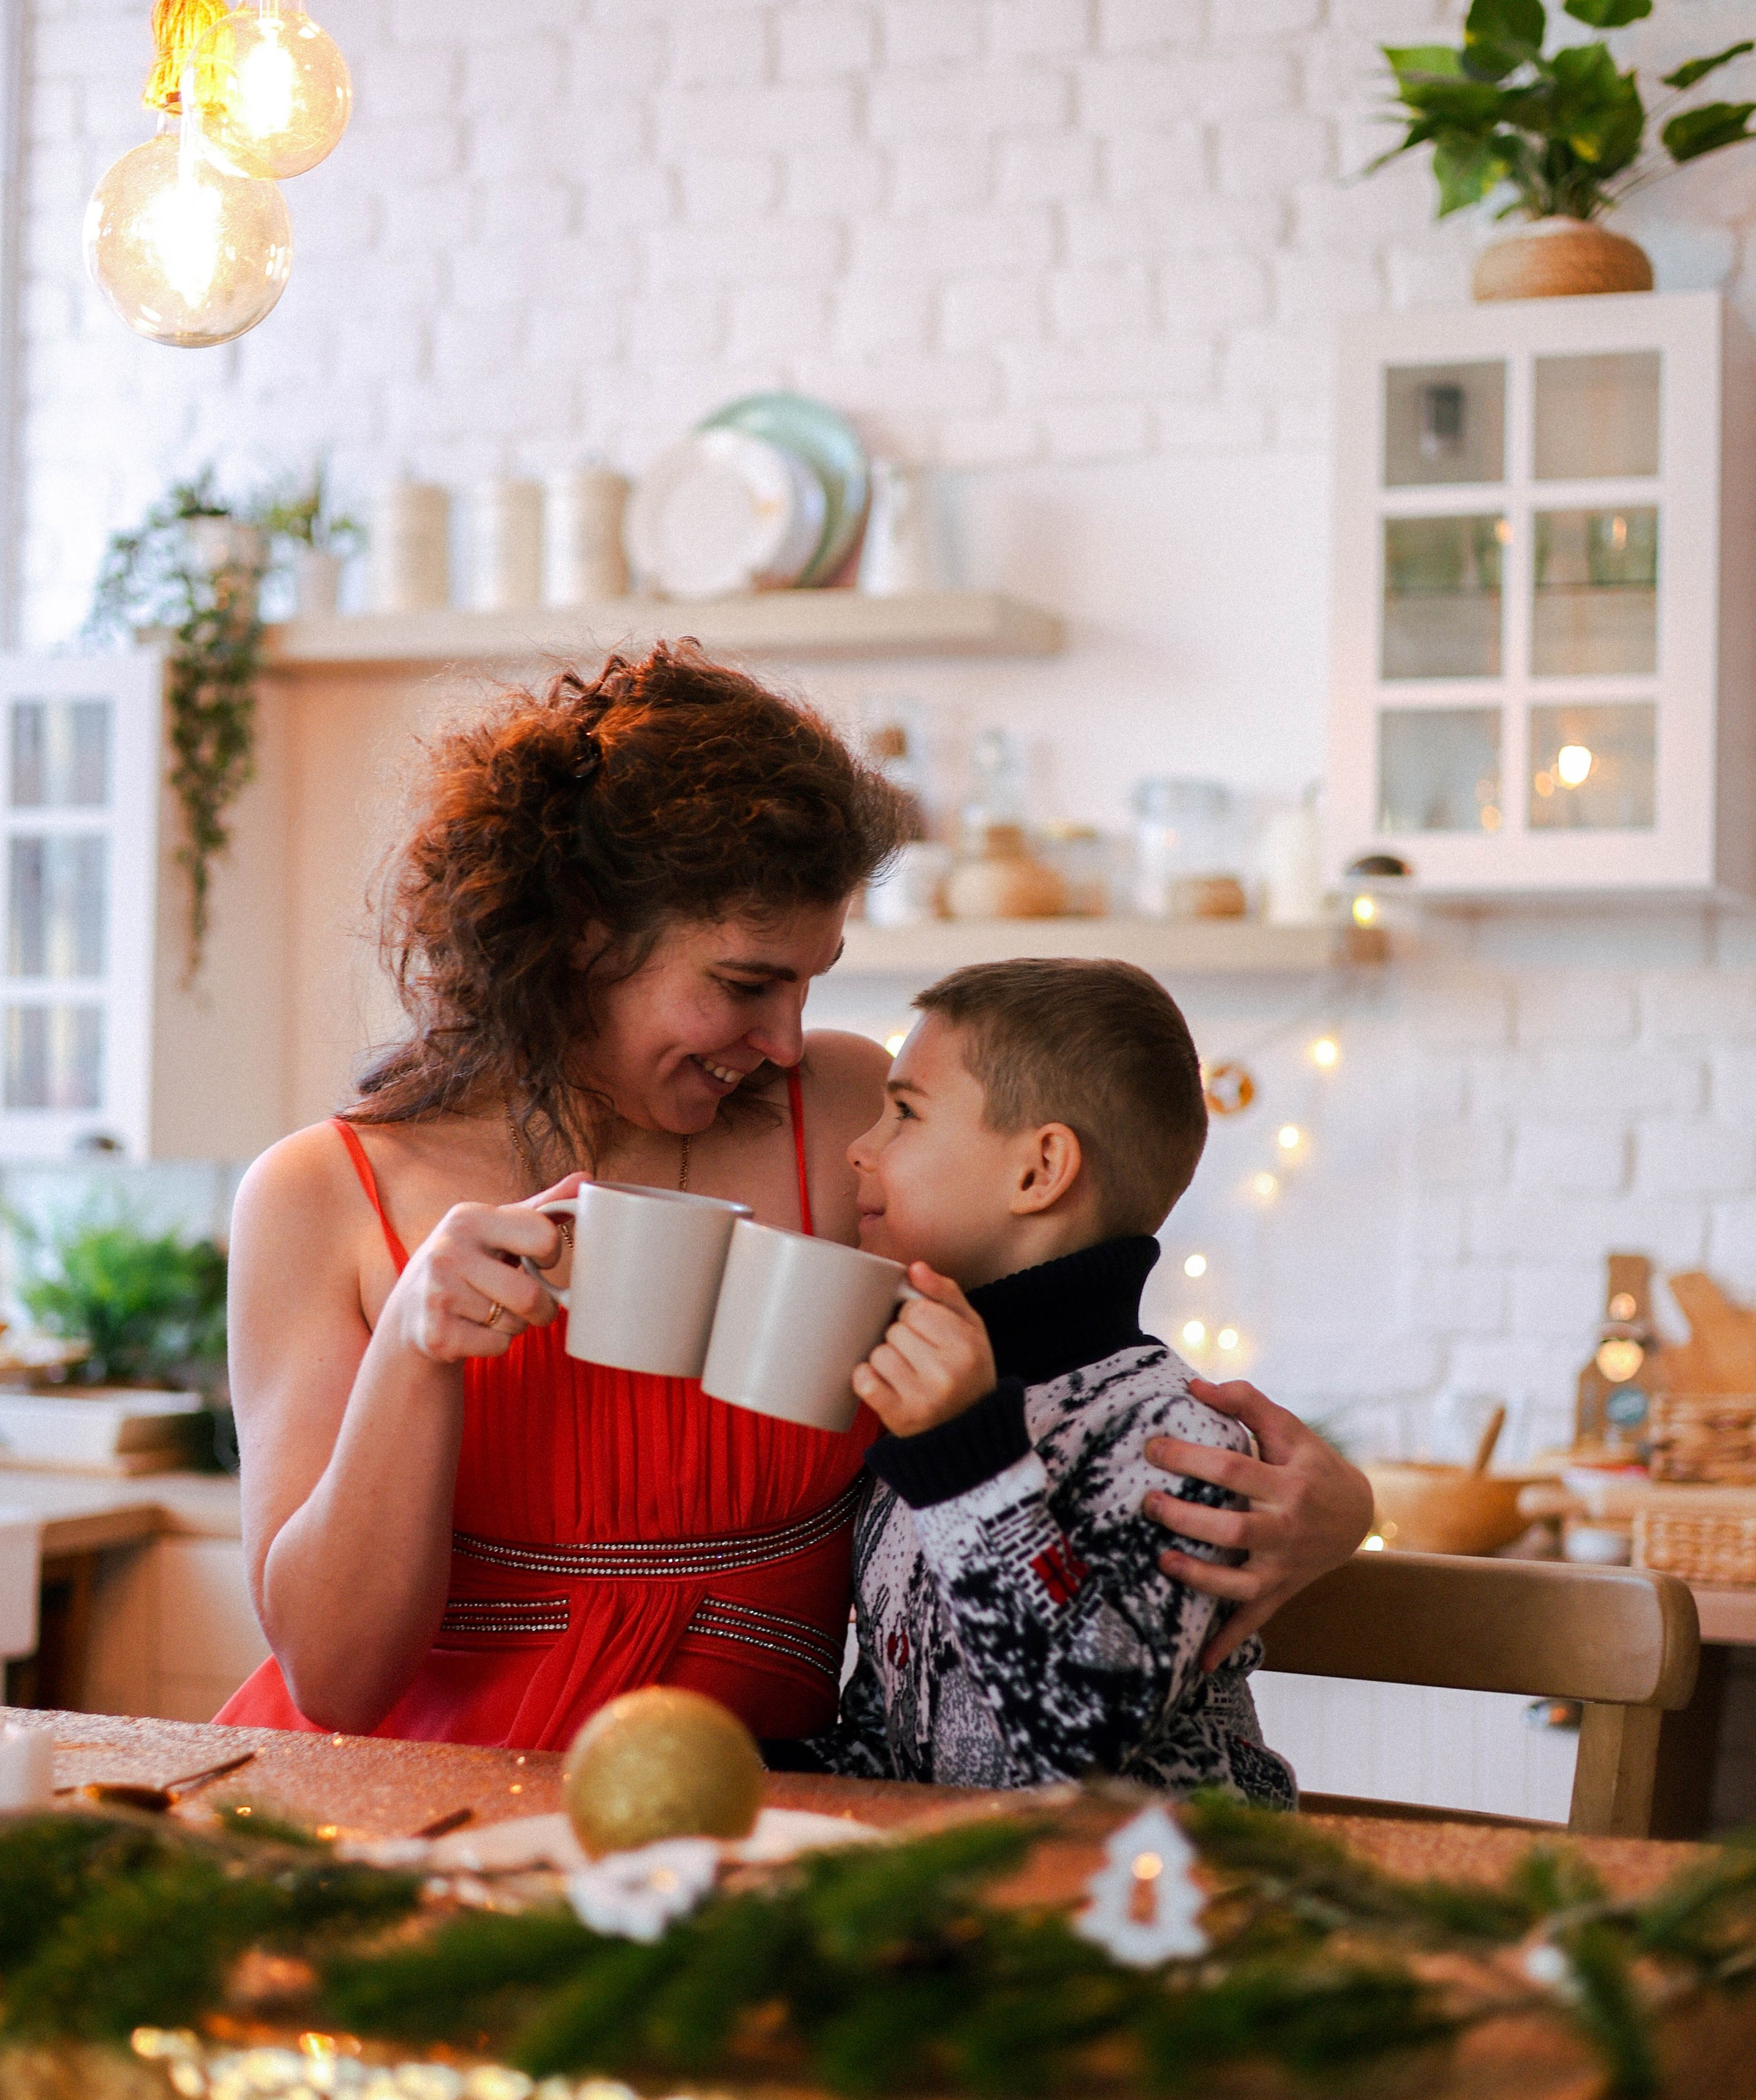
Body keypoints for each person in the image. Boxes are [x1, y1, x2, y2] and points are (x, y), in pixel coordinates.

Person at [220, 643, 1369, 1751]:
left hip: (779, 1824)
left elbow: (1070, 1360)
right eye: (745, 984)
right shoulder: (320, 1196)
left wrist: (1334, 1509)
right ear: (583, 935)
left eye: (810, 984)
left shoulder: (852, 1118)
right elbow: (337, 1682)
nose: (783, 1040)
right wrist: (414, 1350)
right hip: (432, 1812)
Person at [797, 958, 1296, 1800]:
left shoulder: (1176, 1442)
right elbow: (897, 1746)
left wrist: (967, 1466)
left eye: (904, 1114)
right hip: (963, 1877)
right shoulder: (927, 1428)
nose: (859, 1148)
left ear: (1039, 1170)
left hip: (1156, 1881)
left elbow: (1078, 1747)